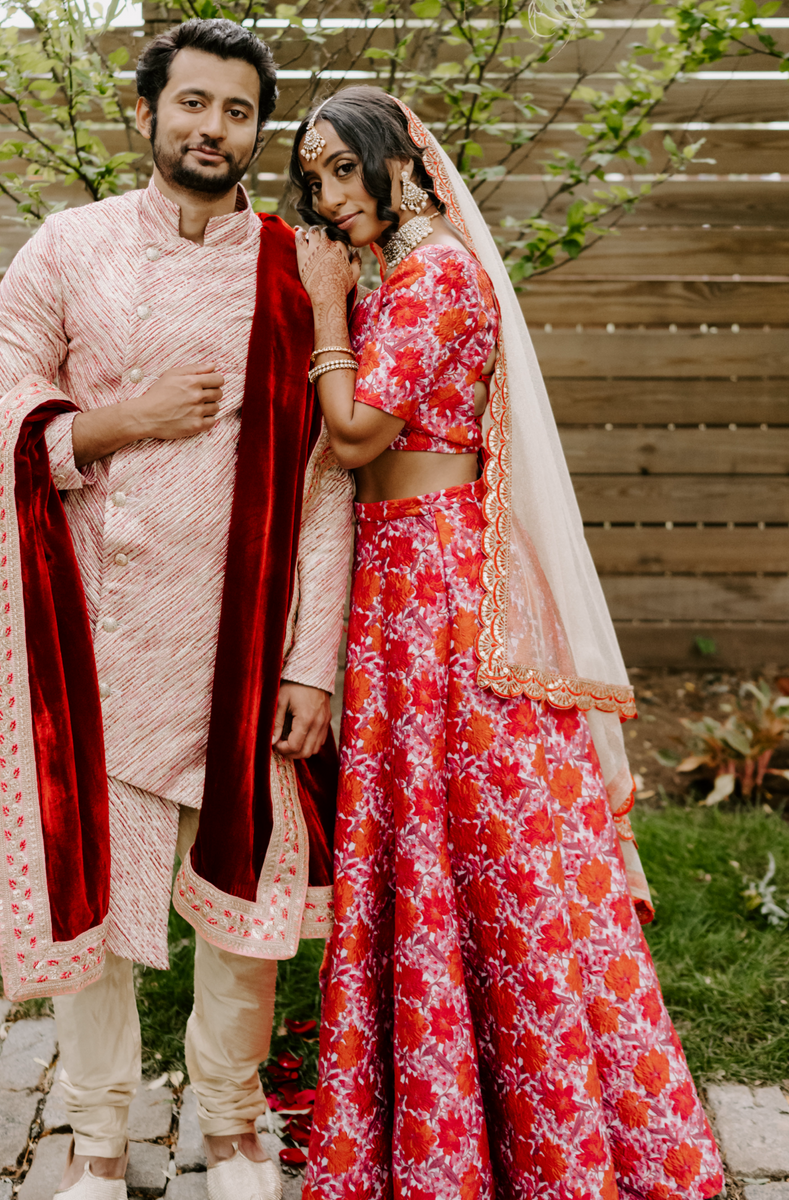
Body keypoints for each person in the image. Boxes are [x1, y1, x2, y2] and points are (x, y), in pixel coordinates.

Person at [0, 20, 353, 1200]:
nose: (214, 128)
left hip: (241, 640)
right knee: (89, 897)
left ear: (261, 131)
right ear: (149, 111)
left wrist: (312, 662)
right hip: (94, 638)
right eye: (194, 104)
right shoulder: (69, 248)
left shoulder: (290, 266)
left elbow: (325, 482)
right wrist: (121, 421)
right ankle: (98, 1138)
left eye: (239, 111)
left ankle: (232, 1127)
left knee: (247, 901)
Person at [289, 87, 725, 1200]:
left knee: (487, 846)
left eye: (345, 170)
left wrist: (325, 312)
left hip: (440, 582)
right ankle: (454, 1135)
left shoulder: (431, 275)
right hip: (400, 577)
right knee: (426, 848)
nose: (330, 197)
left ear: (402, 164)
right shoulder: (404, 271)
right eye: (315, 177)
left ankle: (563, 1136)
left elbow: (355, 434)